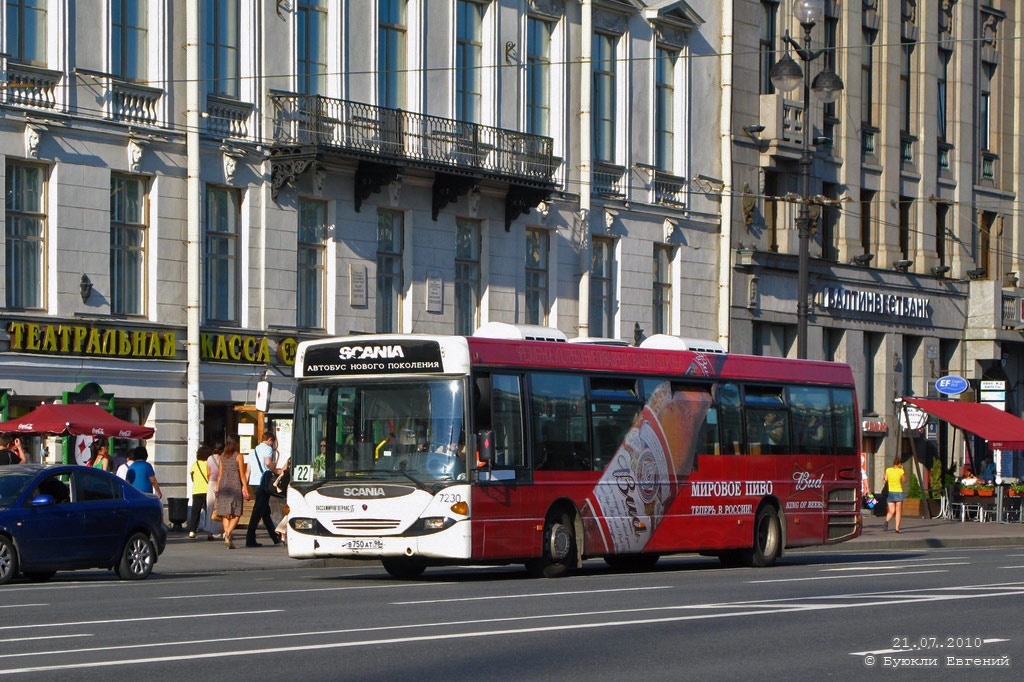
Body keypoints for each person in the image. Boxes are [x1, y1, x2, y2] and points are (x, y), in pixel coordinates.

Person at [244, 433, 281, 548]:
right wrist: (276, 471)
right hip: (263, 483)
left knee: (265, 512)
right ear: (270, 440)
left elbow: (248, 470)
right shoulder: (268, 449)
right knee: (257, 512)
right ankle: (250, 539)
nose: (272, 444)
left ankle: (275, 537)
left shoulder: (253, 451)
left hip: (254, 483)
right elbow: (268, 462)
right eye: (272, 442)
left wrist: (244, 486)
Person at [215, 439, 249, 549]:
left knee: (225, 513)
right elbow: (242, 474)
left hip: (223, 485)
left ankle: (227, 536)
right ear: (236, 444)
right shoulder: (238, 456)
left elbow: (219, 474)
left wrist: (217, 488)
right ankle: (228, 533)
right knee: (237, 512)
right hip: (234, 485)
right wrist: (245, 487)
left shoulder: (222, 456)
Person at [187, 445, 213, 540]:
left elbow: (192, 477)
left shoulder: (195, 464)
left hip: (196, 491)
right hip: (207, 490)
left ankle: (192, 530)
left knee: (195, 511)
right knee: (209, 512)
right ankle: (210, 532)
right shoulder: (209, 464)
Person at [884, 454, 908, 533]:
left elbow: (885, 480)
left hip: (890, 492)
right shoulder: (900, 471)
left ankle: (886, 521)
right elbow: (905, 480)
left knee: (891, 510)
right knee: (898, 511)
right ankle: (897, 528)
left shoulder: (888, 470)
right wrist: (903, 471)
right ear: (899, 464)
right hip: (898, 492)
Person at [205, 443, 222, 539]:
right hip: (221, 483)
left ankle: (209, 531)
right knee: (222, 507)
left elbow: (208, 473)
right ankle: (222, 531)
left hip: (211, 483)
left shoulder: (209, 459)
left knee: (210, 507)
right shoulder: (223, 459)